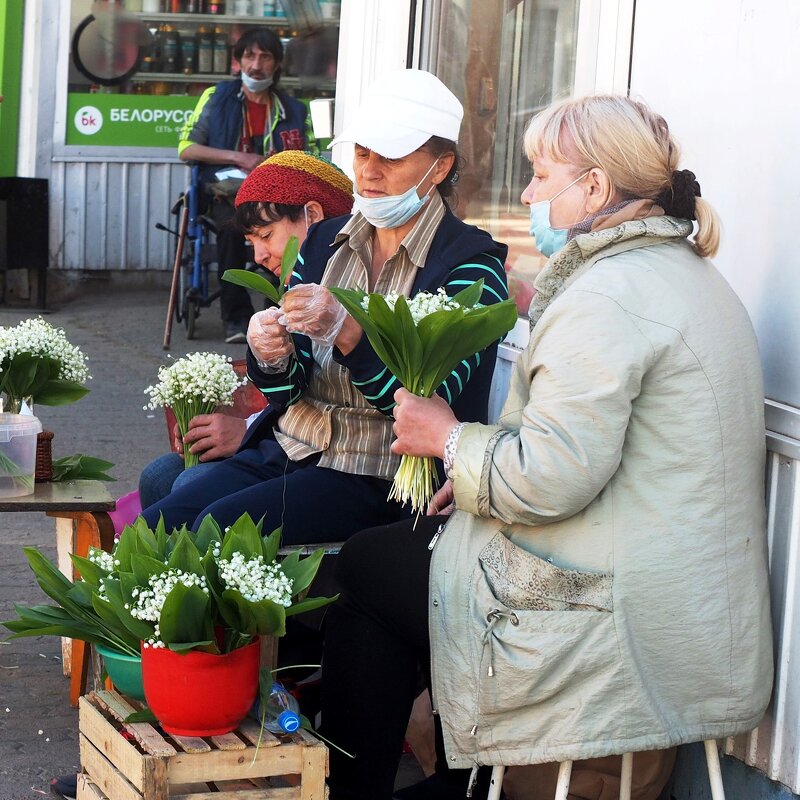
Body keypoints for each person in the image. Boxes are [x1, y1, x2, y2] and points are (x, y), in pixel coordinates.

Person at [318, 94, 773, 800]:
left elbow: (550, 479)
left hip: (612, 613)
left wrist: (448, 438)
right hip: (673, 603)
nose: (527, 194)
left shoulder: (606, 296)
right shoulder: (681, 274)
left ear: (594, 188)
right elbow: (586, 444)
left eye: (539, 175)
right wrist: (472, 454)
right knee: (398, 560)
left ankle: (381, 784)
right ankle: (467, 768)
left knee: (367, 566)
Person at [140, 69, 509, 548]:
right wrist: (270, 353)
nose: (370, 171)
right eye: (361, 153)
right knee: (158, 527)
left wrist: (351, 335)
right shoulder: (324, 242)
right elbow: (286, 391)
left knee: (214, 534)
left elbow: (431, 400)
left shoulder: (471, 266)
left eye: (391, 156)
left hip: (383, 475)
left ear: (439, 167)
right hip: (293, 448)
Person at [138, 150, 354, 508]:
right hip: (283, 441)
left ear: (312, 216)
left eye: (266, 236)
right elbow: (288, 394)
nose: (258, 257)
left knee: (189, 483)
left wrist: (247, 432)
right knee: (159, 474)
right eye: (250, 243)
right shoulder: (292, 293)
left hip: (320, 457)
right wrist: (269, 361)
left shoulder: (343, 292)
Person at [179, 27, 314, 343]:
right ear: (238, 61)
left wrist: (279, 161)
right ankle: (236, 319)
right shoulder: (216, 97)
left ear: (276, 65)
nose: (257, 64)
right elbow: (186, 148)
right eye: (249, 55)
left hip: (275, 197)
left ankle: (276, 313)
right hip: (227, 195)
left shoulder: (294, 109)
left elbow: (311, 157)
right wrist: (239, 157)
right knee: (229, 227)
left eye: (265, 57)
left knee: (289, 228)